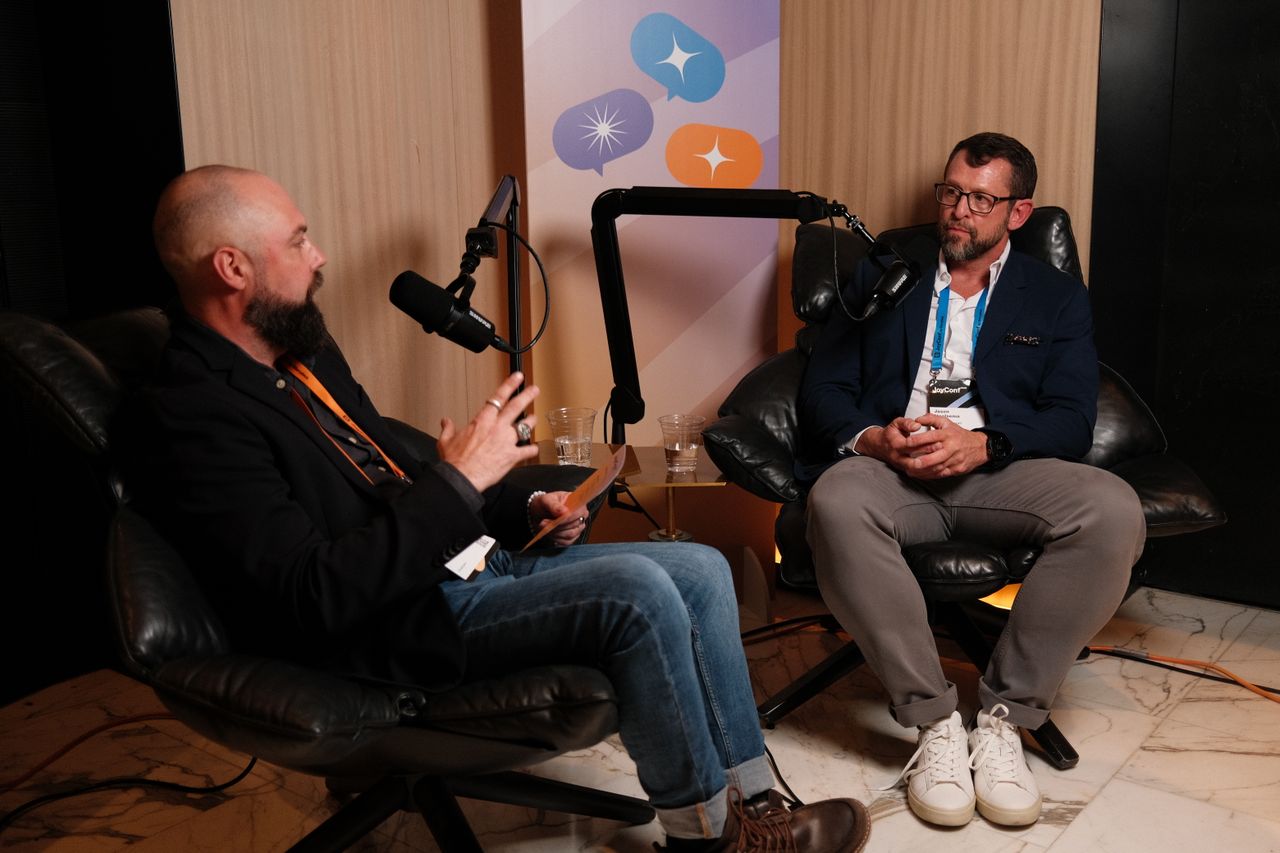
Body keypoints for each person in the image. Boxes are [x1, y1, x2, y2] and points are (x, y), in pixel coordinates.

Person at [122, 165, 869, 852]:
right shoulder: (196, 413)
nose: (318, 257)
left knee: (701, 569)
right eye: (298, 240)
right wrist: (455, 485)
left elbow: (398, 466)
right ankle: (710, 840)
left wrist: (521, 505)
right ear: (232, 267)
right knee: (639, 595)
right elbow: (313, 594)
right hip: (391, 622)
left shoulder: (300, 353)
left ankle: (760, 803)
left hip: (455, 566)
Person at [797, 133, 1146, 828]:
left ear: (1019, 212)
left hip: (999, 472)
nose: (958, 211)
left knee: (1113, 509)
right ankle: (935, 728)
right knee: (834, 498)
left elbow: (1073, 420)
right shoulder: (882, 273)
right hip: (892, 473)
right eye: (950, 192)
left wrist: (985, 443)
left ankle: (1003, 721)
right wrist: (874, 438)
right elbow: (822, 388)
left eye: (980, 199)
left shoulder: (1054, 298)